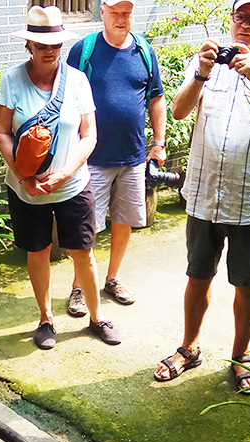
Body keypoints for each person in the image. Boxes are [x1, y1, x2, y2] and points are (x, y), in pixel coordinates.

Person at [153, 0, 250, 394]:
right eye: (240, 17)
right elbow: (181, 112)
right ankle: (189, 348)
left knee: (245, 281)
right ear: (230, 20)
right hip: (203, 192)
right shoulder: (207, 63)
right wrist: (200, 74)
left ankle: (240, 356)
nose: (245, 25)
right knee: (197, 275)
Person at [0, 5, 122, 350]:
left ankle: (96, 318)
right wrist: (23, 177)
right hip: (27, 190)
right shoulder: (12, 80)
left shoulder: (77, 81)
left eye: (54, 45)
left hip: (73, 184)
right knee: (38, 251)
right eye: (41, 45)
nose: (49, 51)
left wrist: (66, 173)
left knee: (83, 252)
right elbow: (2, 132)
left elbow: (89, 135)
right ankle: (45, 319)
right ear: (29, 46)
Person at [64, 0, 167, 314]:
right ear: (102, 13)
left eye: (127, 12)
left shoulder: (145, 53)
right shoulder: (85, 50)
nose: (122, 19)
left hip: (133, 157)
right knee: (88, 228)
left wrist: (159, 142)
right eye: (116, 12)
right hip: (91, 158)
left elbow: (157, 98)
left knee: (124, 222)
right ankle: (79, 287)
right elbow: (64, 97)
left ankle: (112, 278)